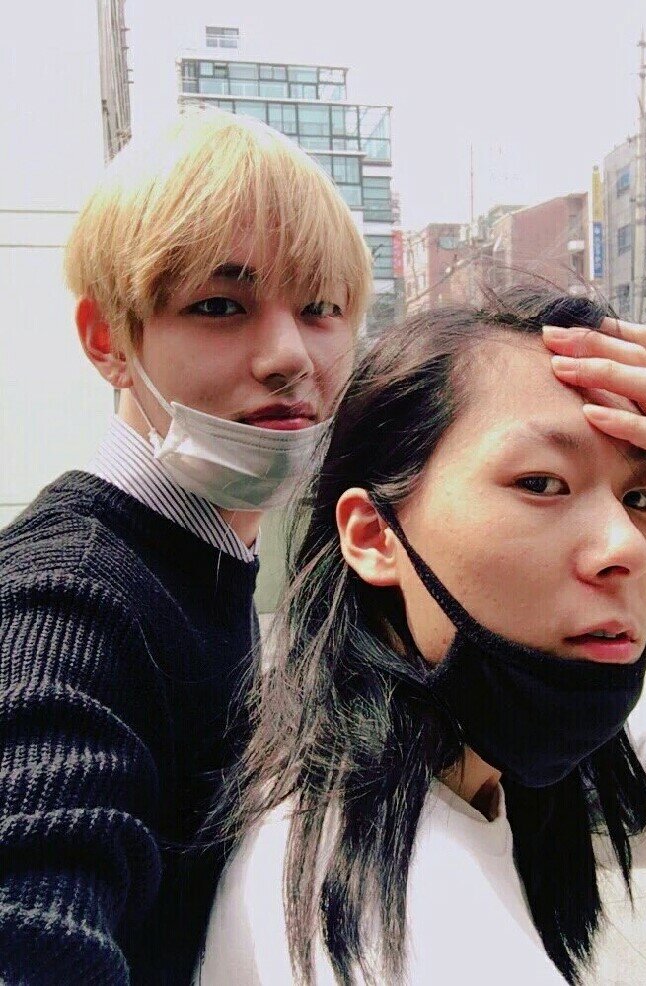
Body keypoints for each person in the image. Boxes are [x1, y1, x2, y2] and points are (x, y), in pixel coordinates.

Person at [197, 289, 646, 985]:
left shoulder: (474, 774)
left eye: (642, 498)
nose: (626, 546)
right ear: (374, 535)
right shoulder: (405, 933)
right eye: (542, 483)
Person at [0, 108, 372, 984]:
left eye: (320, 308)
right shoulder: (66, 601)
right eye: (219, 306)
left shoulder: (198, 563)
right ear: (108, 340)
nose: (289, 355)